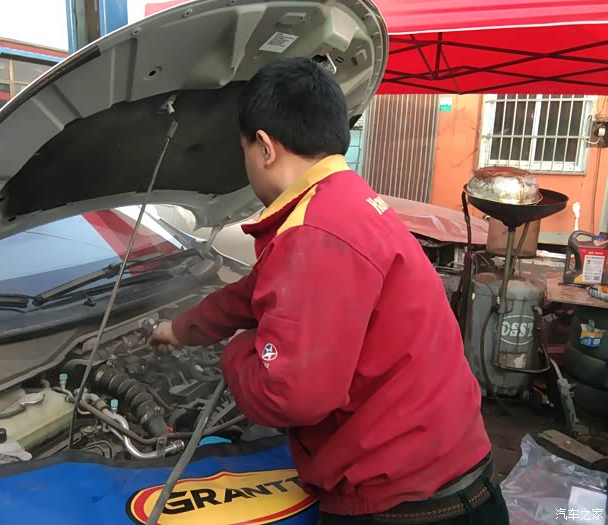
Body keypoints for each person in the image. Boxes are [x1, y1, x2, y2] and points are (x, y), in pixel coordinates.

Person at [151, 57, 509, 524]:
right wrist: (180, 329)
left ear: (264, 147)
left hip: (408, 507)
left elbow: (291, 397)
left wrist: (237, 352)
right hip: (452, 472)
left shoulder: (315, 232)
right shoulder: (343, 201)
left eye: (244, 150)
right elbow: (254, 292)